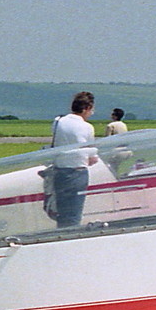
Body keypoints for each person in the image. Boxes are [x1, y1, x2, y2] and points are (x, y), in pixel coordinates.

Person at [49, 91, 97, 228]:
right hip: (77, 172)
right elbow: (91, 155)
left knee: (62, 213)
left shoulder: (58, 122)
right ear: (86, 108)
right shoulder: (87, 127)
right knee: (74, 213)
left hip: (60, 171)